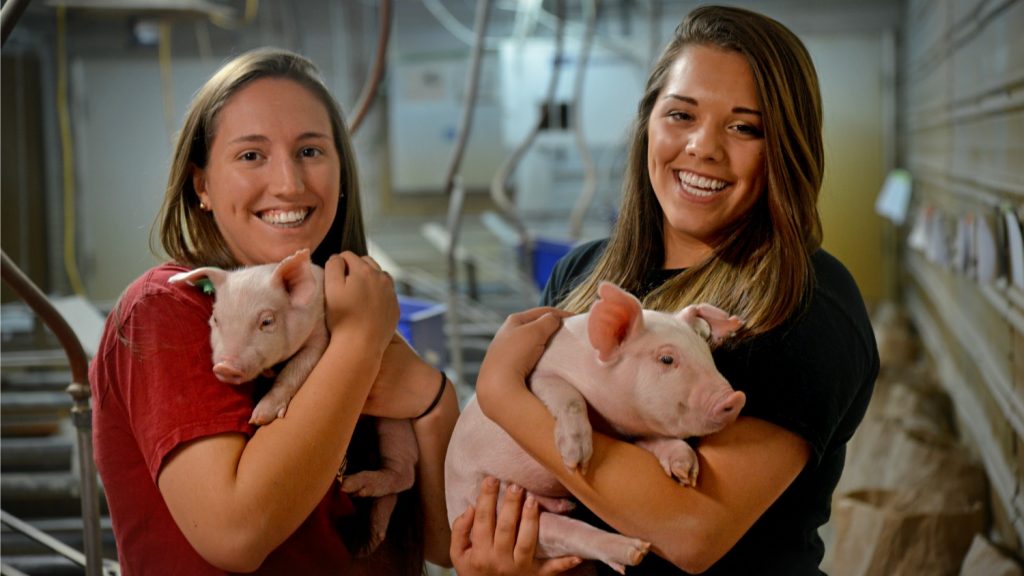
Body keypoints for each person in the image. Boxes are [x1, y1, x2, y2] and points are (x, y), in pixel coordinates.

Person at [456, 5, 879, 575]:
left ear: (785, 148)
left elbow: (691, 529)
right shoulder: (584, 276)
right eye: (681, 114)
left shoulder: (802, 298)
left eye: (744, 127)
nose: (703, 147)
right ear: (648, 122)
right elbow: (495, 507)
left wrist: (503, 393)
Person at [89, 48, 458, 575]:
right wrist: (357, 345)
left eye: (311, 151)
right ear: (202, 186)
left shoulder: (346, 303)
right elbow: (235, 533)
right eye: (250, 156)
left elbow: (446, 544)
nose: (289, 183)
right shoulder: (166, 310)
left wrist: (433, 399)